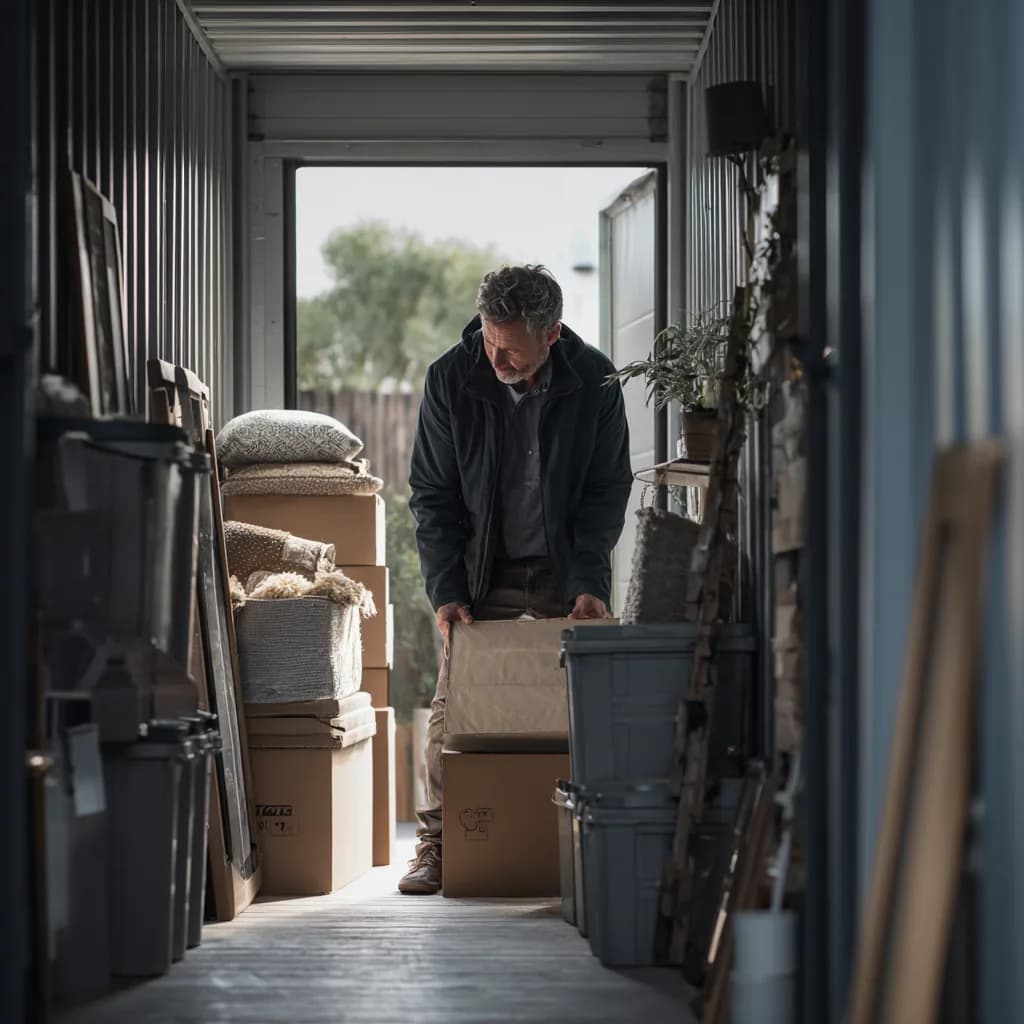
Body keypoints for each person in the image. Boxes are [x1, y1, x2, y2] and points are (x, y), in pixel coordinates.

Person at [399, 264, 632, 895]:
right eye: (490, 340)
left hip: (564, 574)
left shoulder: (595, 380)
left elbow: (606, 491)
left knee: (584, 709)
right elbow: (433, 493)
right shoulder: (451, 376)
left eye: (512, 349)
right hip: (481, 577)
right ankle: (439, 845)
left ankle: (586, 843)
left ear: (552, 334)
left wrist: (589, 583)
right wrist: (447, 593)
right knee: (454, 710)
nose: (497, 356)